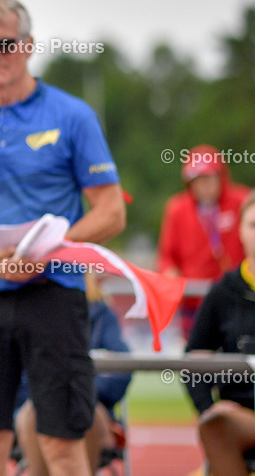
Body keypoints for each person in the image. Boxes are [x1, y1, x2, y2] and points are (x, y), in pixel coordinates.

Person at [0, 0, 126, 476]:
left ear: (29, 45)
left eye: (5, 43)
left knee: (60, 446)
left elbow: (112, 212)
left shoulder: (72, 115)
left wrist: (45, 251)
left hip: (54, 295)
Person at [14, 275, 132, 475]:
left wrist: (82, 390)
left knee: (82, 408)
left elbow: (121, 368)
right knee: (36, 411)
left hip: (87, 403)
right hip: (38, 403)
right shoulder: (31, 311)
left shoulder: (101, 315)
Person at [183, 191, 255, 476]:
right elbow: (193, 360)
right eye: (253, 225)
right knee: (215, 424)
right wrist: (207, 408)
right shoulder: (223, 292)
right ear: (240, 231)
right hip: (242, 416)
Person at [157, 144, 249, 335]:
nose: (204, 185)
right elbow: (167, 257)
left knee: (238, 354)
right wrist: (170, 276)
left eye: (209, 177)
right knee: (197, 357)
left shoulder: (242, 200)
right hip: (194, 301)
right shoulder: (177, 209)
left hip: (238, 297)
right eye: (197, 179)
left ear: (220, 176)